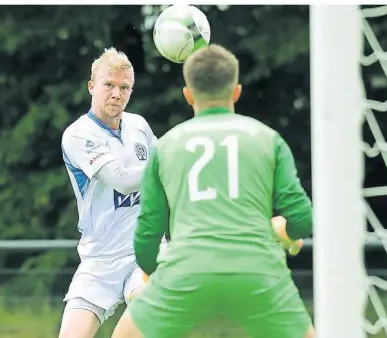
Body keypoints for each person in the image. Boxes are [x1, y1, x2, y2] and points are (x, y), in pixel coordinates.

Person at [111, 44, 315, 338]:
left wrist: (160, 281)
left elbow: (146, 238)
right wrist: (284, 232)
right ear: (236, 92)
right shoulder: (268, 139)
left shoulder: (165, 146)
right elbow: (304, 219)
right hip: (258, 275)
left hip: (185, 274)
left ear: (188, 95)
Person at [59, 47, 158, 338]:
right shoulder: (78, 134)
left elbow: (165, 164)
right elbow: (124, 181)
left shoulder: (138, 125)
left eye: (124, 87)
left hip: (146, 250)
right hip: (99, 259)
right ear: (92, 86)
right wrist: (169, 164)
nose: (117, 93)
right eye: (109, 85)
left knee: (149, 307)